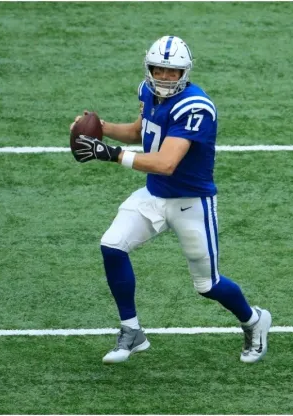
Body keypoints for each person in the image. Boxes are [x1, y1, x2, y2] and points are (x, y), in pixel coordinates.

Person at [69, 36, 271, 364]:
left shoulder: (195, 107)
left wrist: (110, 154)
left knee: (208, 285)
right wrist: (100, 128)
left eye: (172, 71)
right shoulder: (147, 92)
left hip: (191, 202)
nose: (163, 76)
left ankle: (254, 320)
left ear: (185, 73)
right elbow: (141, 130)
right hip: (154, 195)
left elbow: (166, 163)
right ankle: (131, 331)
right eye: (158, 69)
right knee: (112, 244)